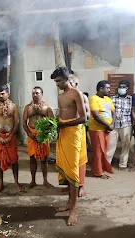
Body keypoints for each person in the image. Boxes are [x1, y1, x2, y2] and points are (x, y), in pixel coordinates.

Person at [51, 67, 87, 226]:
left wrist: (64, 125)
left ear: (66, 79)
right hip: (63, 134)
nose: (57, 84)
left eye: (59, 81)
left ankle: (74, 210)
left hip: (73, 133)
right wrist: (56, 126)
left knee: (72, 170)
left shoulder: (76, 94)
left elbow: (83, 118)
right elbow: (60, 115)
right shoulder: (60, 97)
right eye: (56, 81)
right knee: (65, 169)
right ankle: (68, 204)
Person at [0, 84, 21, 192]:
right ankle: (1, 183)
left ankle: (16, 182)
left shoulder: (14, 106)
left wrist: (10, 137)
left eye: (2, 94)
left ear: (8, 94)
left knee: (14, 160)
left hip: (10, 137)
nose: (0, 96)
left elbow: (16, 123)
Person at [23, 86, 54, 188]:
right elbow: (24, 123)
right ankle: (33, 181)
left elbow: (52, 123)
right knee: (32, 158)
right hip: (32, 135)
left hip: (43, 136)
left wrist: (44, 134)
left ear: (42, 94)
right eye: (33, 93)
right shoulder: (28, 107)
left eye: (37, 93)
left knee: (44, 158)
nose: (35, 95)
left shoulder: (47, 107)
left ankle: (45, 180)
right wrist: (29, 134)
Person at [68, 74, 89, 197]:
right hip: (67, 132)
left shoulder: (82, 97)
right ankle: (70, 184)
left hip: (78, 131)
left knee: (80, 160)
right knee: (69, 159)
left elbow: (86, 117)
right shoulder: (66, 97)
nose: (68, 85)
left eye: (71, 83)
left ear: (76, 84)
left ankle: (81, 186)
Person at [89, 81, 115, 179]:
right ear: (100, 89)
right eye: (107, 88)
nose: (109, 90)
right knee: (98, 151)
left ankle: (98, 168)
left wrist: (111, 125)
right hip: (97, 130)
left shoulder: (108, 99)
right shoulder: (93, 99)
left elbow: (113, 113)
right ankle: (99, 172)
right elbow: (96, 115)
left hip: (106, 129)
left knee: (104, 150)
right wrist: (108, 126)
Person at [107, 80, 132, 170]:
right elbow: (108, 112)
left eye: (123, 87)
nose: (121, 89)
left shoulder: (131, 99)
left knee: (126, 145)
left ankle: (123, 164)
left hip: (126, 124)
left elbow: (132, 112)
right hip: (114, 125)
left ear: (127, 88)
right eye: (120, 87)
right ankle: (107, 163)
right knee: (110, 145)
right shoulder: (112, 99)